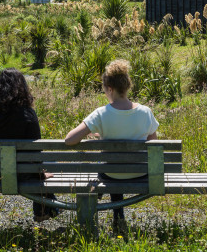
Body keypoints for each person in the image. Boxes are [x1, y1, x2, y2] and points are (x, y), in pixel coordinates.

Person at [65, 59, 159, 229]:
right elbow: (154, 145)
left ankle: (118, 216)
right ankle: (118, 218)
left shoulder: (101, 113)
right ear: (127, 86)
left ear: (109, 88)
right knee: (119, 164)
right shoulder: (146, 112)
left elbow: (69, 139)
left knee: (112, 166)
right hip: (141, 174)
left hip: (112, 174)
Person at [0, 68, 59, 222]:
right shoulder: (27, 114)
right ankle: (43, 210)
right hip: (26, 172)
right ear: (22, 88)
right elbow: (37, 152)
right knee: (43, 166)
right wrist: (42, 174)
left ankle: (49, 209)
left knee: (33, 167)